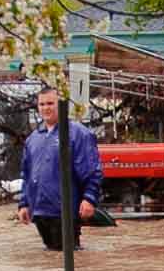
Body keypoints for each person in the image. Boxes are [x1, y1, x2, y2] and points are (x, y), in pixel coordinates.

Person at [16, 85, 102, 251]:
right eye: (42, 105)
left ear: (61, 105)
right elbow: (27, 175)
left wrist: (89, 199)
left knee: (69, 255)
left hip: (65, 209)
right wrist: (24, 204)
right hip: (39, 210)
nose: (45, 108)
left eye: (50, 103)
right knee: (50, 258)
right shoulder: (33, 139)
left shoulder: (78, 133)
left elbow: (91, 170)